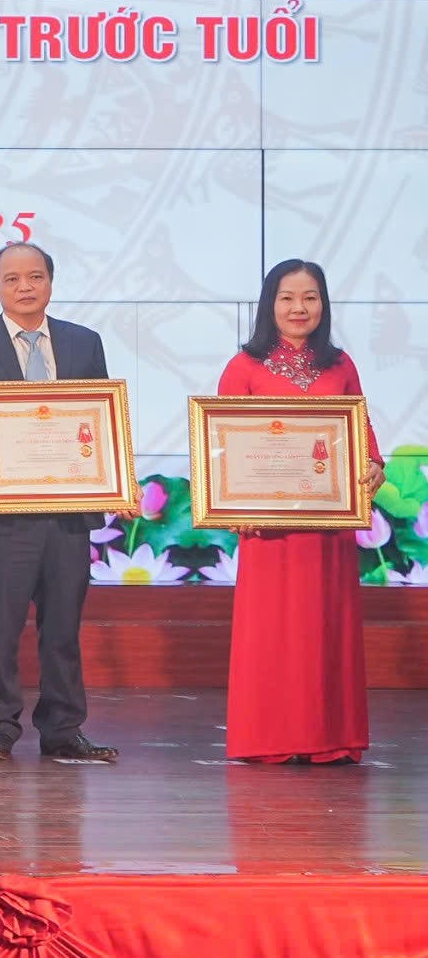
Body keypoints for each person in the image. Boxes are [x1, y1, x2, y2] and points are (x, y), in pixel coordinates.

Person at [0, 243, 118, 764]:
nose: (25, 287)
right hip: (2, 515)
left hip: (68, 512)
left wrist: (112, 479)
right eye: (12, 278)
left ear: (50, 282)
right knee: (1, 627)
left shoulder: (84, 343)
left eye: (35, 276)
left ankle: (63, 729)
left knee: (63, 628)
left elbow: (100, 417)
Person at [221, 258, 381, 766]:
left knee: (325, 629)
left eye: (310, 297)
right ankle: (269, 739)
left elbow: (362, 431)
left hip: (327, 527)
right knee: (272, 632)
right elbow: (222, 446)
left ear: (323, 305)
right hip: (268, 532)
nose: (299, 308)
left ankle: (329, 739)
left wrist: (374, 465)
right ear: (270, 304)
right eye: (287, 297)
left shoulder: (341, 365)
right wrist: (232, 503)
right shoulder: (244, 366)